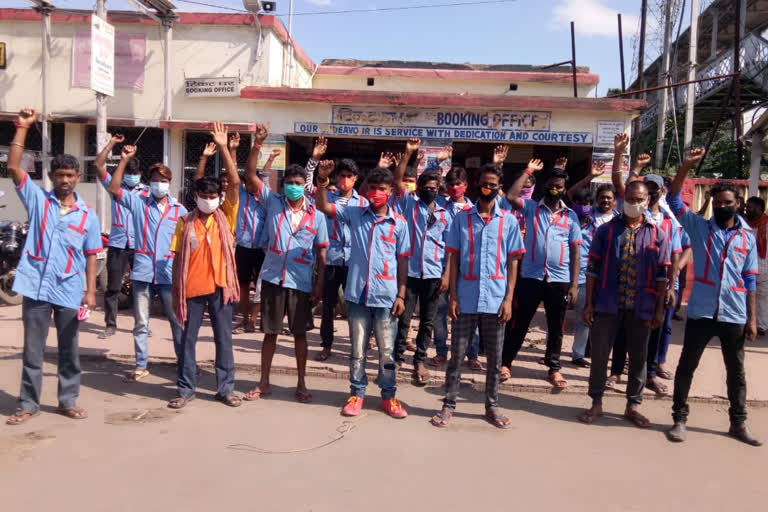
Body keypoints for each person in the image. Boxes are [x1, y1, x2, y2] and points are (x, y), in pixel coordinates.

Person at [6, 109, 102, 425]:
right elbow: (13, 167)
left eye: (69, 176)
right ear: (52, 176)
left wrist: (90, 291)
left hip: (69, 290)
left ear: (78, 178)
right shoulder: (38, 201)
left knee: (68, 350)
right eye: (59, 175)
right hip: (35, 286)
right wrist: (22, 128)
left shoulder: (87, 216)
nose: (63, 180)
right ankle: (28, 404)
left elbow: (91, 255)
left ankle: (67, 400)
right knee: (33, 351)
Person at [665, 148, 762, 446]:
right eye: (718, 203)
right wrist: (686, 165)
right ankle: (680, 419)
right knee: (687, 366)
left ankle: (738, 422)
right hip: (702, 312)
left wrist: (752, 319)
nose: (722, 206)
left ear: (738, 205)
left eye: (727, 203)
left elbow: (750, 279)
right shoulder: (699, 228)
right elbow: (672, 200)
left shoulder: (747, 238)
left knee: (736, 371)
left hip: (734, 313)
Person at [430, 163, 525, 429]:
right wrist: (452, 297)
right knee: (457, 356)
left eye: (493, 184)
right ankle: (448, 404)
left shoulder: (508, 221)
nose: (487, 187)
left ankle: (492, 406)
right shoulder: (462, 219)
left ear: (499, 187)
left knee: (494, 359)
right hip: (467, 298)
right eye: (484, 182)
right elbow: (454, 257)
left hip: (496, 301)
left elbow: (513, 262)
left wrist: (508, 299)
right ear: (477, 184)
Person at [314, 161, 411, 419]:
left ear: (390, 191)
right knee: (357, 350)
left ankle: (389, 396)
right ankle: (357, 393)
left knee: (387, 352)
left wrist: (401, 294)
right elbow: (323, 207)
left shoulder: (399, 224)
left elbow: (403, 261)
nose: (377, 193)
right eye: (373, 188)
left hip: (387, 298)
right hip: (357, 296)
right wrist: (323, 181)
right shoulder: (355, 214)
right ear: (366, 191)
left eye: (382, 188)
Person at [242, 142, 329, 404]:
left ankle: (301, 383)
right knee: (270, 333)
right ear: (284, 185)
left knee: (300, 335)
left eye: (297, 181)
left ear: (305, 185)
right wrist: (256, 145)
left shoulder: (317, 216)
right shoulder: (273, 203)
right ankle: (264, 382)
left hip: (301, 283)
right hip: (271, 278)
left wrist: (319, 286)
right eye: (289, 181)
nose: (292, 185)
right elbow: (250, 176)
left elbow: (322, 254)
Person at [578, 180, 669, 428]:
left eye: (639, 199)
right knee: (599, 356)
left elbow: (663, 274)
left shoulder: (657, 233)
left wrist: (660, 308)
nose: (634, 203)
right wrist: (589, 304)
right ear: (622, 199)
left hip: (642, 307)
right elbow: (593, 268)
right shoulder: (605, 231)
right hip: (607, 305)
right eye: (629, 198)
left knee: (638, 358)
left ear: (648, 201)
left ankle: (633, 406)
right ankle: (596, 403)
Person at [167, 122, 242, 409]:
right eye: (204, 197)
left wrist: (223, 147)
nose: (209, 201)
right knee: (188, 342)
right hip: (191, 291)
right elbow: (177, 260)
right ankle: (185, 390)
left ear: (219, 199)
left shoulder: (226, 218)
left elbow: (234, 184)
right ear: (195, 197)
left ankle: (226, 388)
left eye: (213, 197)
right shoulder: (185, 222)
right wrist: (176, 292)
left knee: (224, 340)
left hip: (221, 288)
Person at [610, 134, 687, 394]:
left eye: (654, 189)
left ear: (660, 192)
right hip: (628, 285)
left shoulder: (668, 220)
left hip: (657, 287)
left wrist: (672, 286)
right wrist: (620, 154)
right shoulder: (631, 212)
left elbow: (676, 252)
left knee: (654, 332)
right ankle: (616, 372)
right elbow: (620, 183)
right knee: (623, 331)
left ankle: (650, 374)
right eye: (647, 188)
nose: (650, 192)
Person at [105, 143, 187, 383]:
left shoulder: (179, 210)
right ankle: (141, 364)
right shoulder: (138, 202)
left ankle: (183, 362)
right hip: (142, 272)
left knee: (176, 321)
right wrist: (123, 160)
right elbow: (113, 188)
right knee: (141, 322)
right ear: (149, 182)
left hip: (168, 273)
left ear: (169, 182)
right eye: (154, 179)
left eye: (163, 179)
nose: (158, 183)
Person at [501, 158, 582, 389]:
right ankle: (506, 363)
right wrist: (528, 171)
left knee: (556, 327)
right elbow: (509, 196)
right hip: (530, 277)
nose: (554, 190)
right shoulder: (531, 208)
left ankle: (554, 368)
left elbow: (576, 252)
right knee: (519, 322)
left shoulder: (571, 217)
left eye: (559, 187)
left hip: (559, 280)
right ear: (545, 186)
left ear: (565, 190)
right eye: (551, 186)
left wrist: (574, 285)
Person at [308, 140, 368, 362]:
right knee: (328, 306)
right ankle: (326, 345)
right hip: (332, 259)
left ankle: (358, 344)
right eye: (341, 175)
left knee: (356, 306)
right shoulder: (328, 197)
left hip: (354, 261)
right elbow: (317, 201)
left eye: (349, 176)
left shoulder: (363, 203)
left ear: (355, 179)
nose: (344, 180)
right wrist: (321, 178)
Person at [392, 168, 450, 384]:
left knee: (428, 321)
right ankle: (397, 357)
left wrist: (446, 276)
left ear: (438, 189)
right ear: (418, 189)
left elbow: (451, 249)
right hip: (410, 273)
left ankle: (419, 360)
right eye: (425, 188)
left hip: (434, 274)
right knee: (403, 319)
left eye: (433, 188)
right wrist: (407, 156)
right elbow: (397, 183)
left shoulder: (445, 214)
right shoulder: (409, 206)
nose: (429, 191)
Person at [93, 134, 148, 339]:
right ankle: (110, 324)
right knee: (112, 287)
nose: (132, 175)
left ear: (140, 174)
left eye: (135, 172)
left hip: (140, 245)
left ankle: (142, 325)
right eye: (128, 172)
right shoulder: (115, 188)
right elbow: (99, 166)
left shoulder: (148, 193)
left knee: (142, 288)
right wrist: (112, 144)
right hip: (118, 243)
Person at [429, 167, 480, 370]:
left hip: (468, 271)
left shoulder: (475, 209)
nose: (454, 188)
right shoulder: (438, 206)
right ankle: (441, 351)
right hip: (441, 269)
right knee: (438, 313)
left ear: (466, 186)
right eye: (450, 184)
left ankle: (472, 354)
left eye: (458, 184)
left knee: (469, 313)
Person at [566, 161, 615, 367]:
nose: (605, 200)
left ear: (614, 202)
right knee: (583, 315)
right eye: (602, 197)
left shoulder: (619, 220)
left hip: (609, 277)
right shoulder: (585, 215)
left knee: (605, 319)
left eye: (609, 198)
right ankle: (578, 354)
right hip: (586, 273)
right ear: (597, 200)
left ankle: (598, 353)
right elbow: (571, 193)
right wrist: (590, 176)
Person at [745, 196, 768, 336]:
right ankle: (747, 323)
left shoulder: (766, 224)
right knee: (746, 297)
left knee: (763, 299)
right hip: (746, 268)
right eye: (747, 206)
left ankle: (761, 325)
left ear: (760, 208)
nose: (747, 209)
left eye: (750, 207)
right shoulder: (744, 224)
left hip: (764, 268)